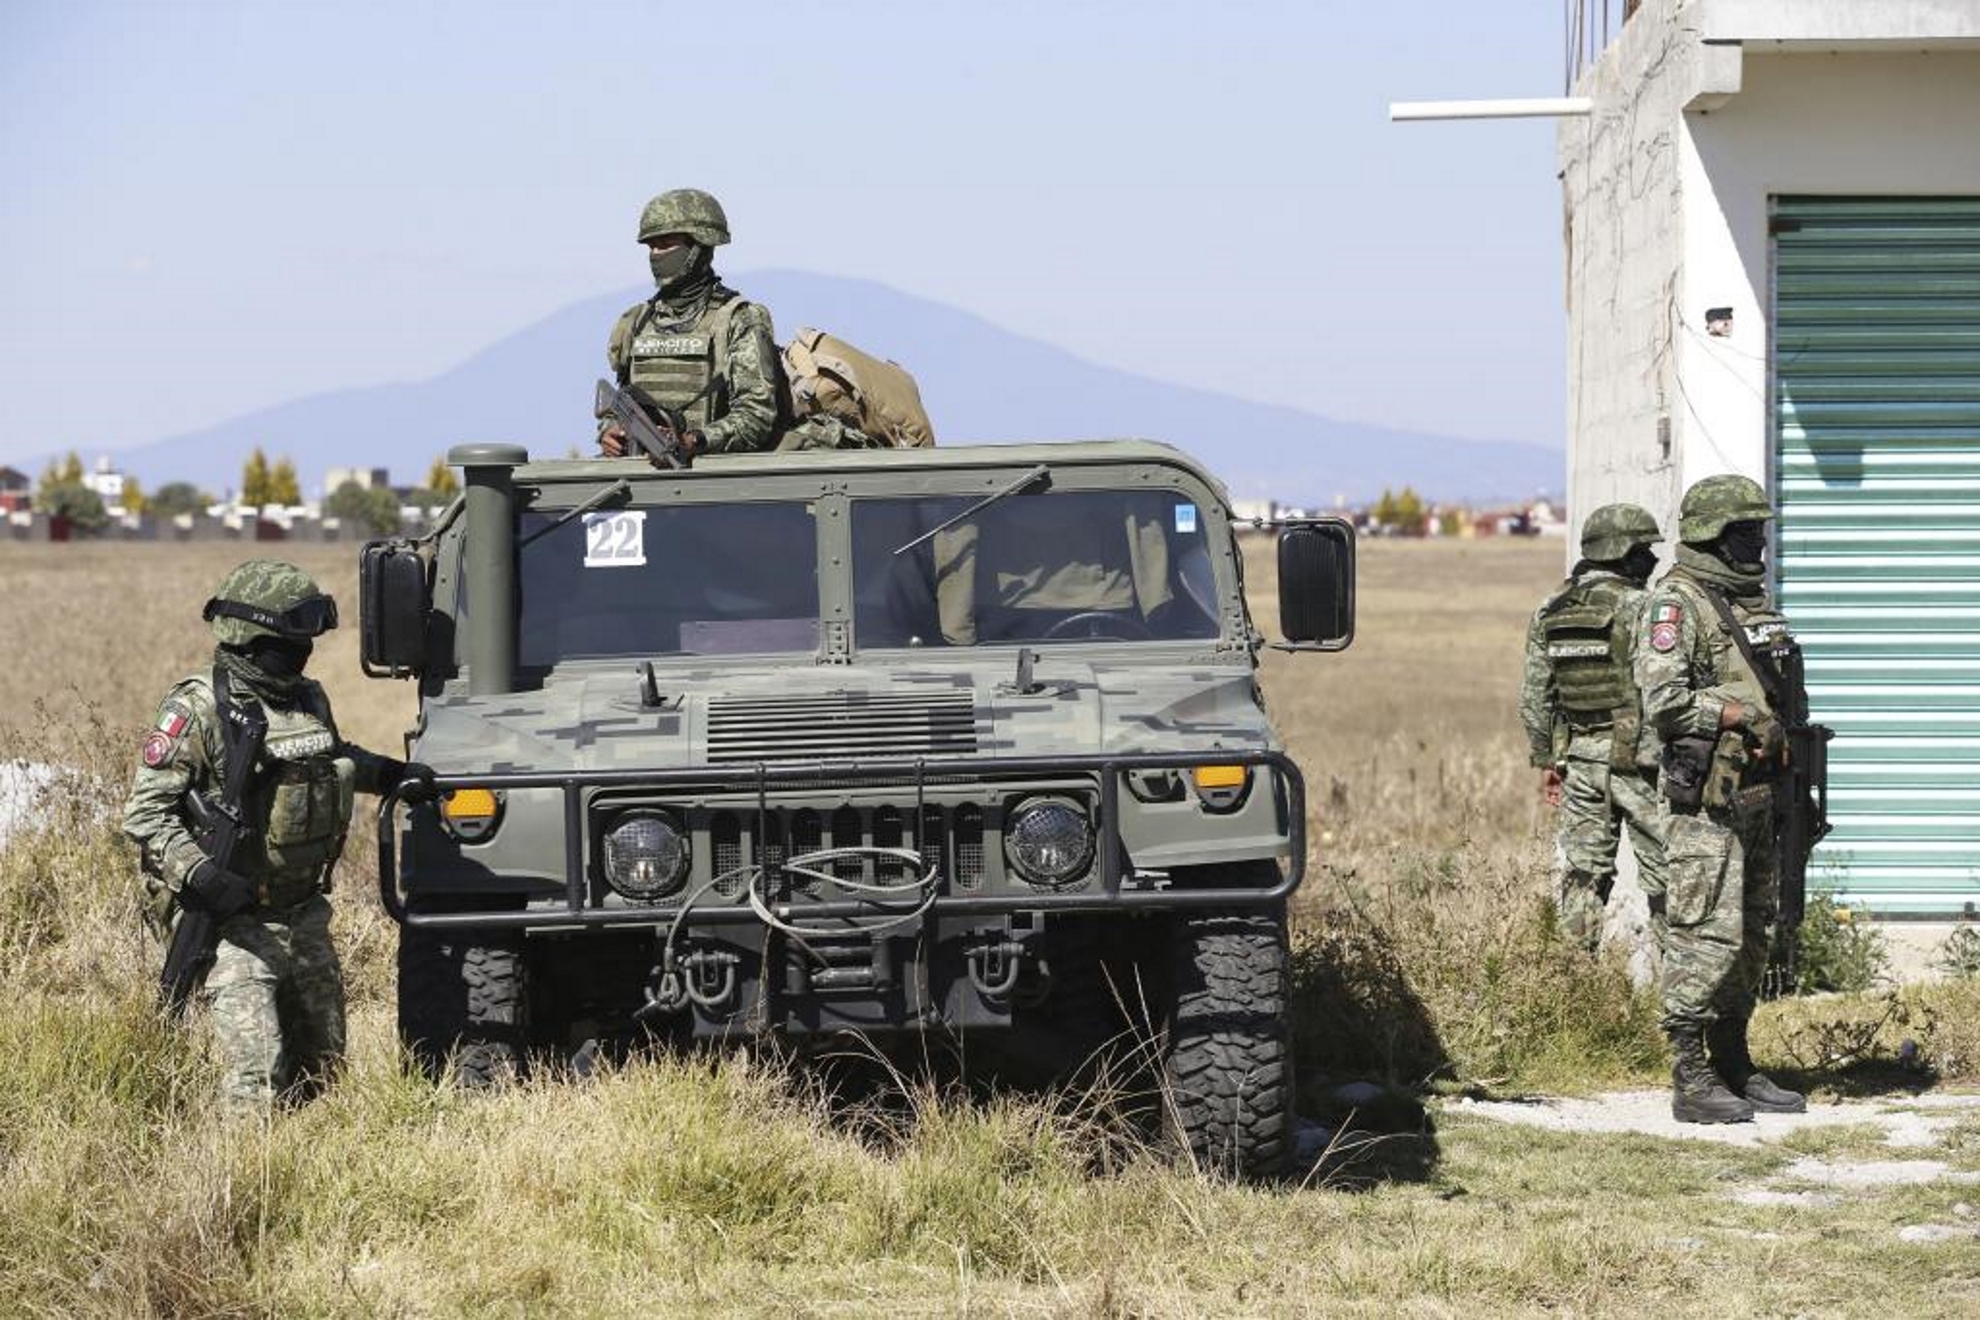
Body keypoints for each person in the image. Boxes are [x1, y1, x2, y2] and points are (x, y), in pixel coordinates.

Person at [123, 560, 426, 1116]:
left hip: (304, 911)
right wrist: (204, 876)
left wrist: (393, 776)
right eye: (293, 640)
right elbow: (146, 814)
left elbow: (334, 758)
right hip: (233, 923)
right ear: (252, 635)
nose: (304, 652)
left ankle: (312, 1177)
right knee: (256, 1079)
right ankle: (242, 1191)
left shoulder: (306, 697)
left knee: (325, 1070)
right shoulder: (197, 708)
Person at [1637, 474, 1807, 1124]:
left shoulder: (1751, 602)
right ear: (1713, 536)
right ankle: (1690, 1072)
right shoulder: (1677, 604)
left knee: (1754, 934)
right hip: (1708, 798)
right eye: (1745, 533)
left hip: (1762, 794)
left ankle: (1732, 1057)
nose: (1758, 544)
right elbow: (1663, 699)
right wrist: (1735, 713)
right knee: (1705, 931)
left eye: (1760, 531)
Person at [1518, 502, 1668, 956]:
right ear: (1623, 552)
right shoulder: (1645, 606)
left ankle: (1571, 989)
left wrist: (1549, 761)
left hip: (1581, 764)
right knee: (1667, 880)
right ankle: (1675, 1003)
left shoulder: (1552, 607)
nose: (1653, 560)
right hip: (1643, 764)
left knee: (1583, 879)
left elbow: (1535, 699)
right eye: (1645, 550)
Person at [597, 188, 781, 461]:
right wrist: (609, 432)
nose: (656, 254)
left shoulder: (738, 318)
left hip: (709, 479)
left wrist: (695, 441)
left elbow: (756, 417)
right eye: (651, 246)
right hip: (638, 477)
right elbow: (621, 400)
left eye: (666, 243)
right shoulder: (636, 321)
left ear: (700, 245)